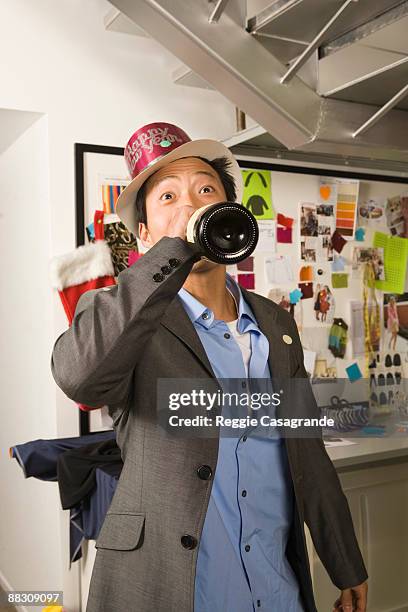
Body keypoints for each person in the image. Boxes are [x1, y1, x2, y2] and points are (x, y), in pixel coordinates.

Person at [51, 122, 368, 612]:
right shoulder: (122, 319)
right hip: (171, 588)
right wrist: (173, 250)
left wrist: (345, 562)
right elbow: (80, 376)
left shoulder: (274, 324)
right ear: (145, 233)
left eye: (204, 190)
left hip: (272, 583)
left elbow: (309, 454)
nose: (190, 206)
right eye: (168, 198)